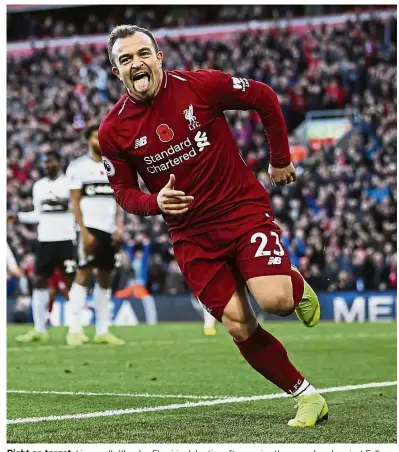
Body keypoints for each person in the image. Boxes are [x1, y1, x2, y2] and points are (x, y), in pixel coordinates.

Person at [98, 25, 328, 427]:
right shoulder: (113, 130)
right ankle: (307, 397)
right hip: (191, 236)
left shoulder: (200, 86)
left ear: (159, 56)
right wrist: (155, 202)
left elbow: (263, 96)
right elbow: (122, 191)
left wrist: (279, 159)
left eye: (142, 54)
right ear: (116, 71)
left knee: (275, 302)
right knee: (238, 322)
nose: (137, 63)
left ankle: (290, 282)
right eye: (126, 59)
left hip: (240, 212)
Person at [65, 125, 125, 346]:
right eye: (95, 137)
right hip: (89, 228)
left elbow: (119, 199)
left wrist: (119, 226)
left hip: (109, 229)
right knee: (83, 274)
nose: (100, 141)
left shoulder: (115, 166)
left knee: (105, 278)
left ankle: (103, 330)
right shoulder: (78, 167)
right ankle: (74, 329)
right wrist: (83, 230)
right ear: (88, 140)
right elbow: (74, 202)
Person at [15, 151, 77, 342]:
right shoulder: (38, 186)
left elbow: (76, 210)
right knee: (40, 280)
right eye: (44, 162)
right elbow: (38, 214)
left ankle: (75, 329)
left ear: (59, 162)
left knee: (70, 283)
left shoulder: (70, 183)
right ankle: (39, 329)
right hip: (45, 240)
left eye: (50, 161)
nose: (47, 165)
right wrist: (18, 217)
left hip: (66, 239)